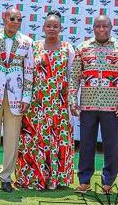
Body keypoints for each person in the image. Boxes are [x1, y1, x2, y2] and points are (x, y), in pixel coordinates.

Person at [69, 15, 118, 194]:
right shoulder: (82, 48)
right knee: (86, 144)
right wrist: (73, 100)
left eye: (105, 26)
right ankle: (84, 181)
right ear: (93, 28)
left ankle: (108, 183)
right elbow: (74, 76)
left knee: (111, 145)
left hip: (112, 106)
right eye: (98, 26)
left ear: (111, 27)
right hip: (87, 105)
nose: (101, 29)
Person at [15, 11, 75, 190]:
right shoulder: (34, 47)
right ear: (43, 28)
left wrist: (71, 102)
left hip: (58, 104)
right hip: (36, 104)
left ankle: (55, 179)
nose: (52, 29)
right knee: (35, 140)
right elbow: (26, 73)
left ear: (61, 28)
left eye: (55, 26)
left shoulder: (67, 48)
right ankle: (33, 177)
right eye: (48, 26)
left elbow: (72, 77)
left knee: (56, 140)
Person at [0, 7, 34, 193]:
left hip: (16, 96)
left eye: (19, 19)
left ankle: (6, 177)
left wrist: (27, 96)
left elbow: (29, 72)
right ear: (4, 18)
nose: (16, 22)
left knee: (12, 138)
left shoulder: (27, 42)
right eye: (12, 18)